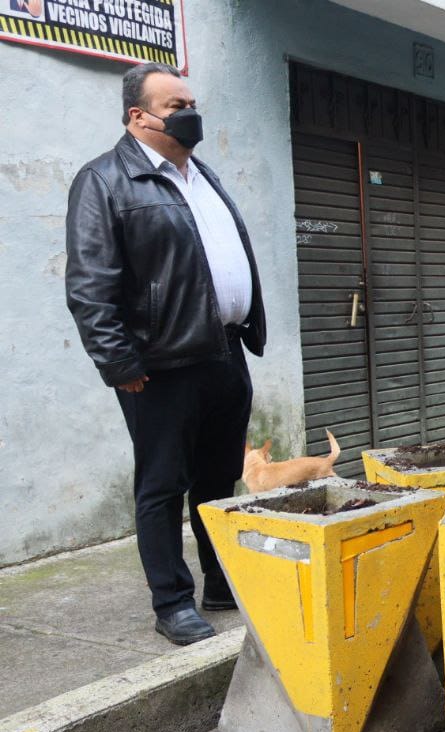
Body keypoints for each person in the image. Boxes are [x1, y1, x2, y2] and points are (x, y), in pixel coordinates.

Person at [65, 63, 266, 646]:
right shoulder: (105, 180)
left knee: (218, 479)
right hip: (159, 366)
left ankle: (221, 584)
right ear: (138, 116)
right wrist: (118, 363)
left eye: (191, 102)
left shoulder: (201, 175)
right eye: (176, 105)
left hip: (225, 351)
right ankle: (172, 602)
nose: (190, 113)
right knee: (162, 484)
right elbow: (89, 285)